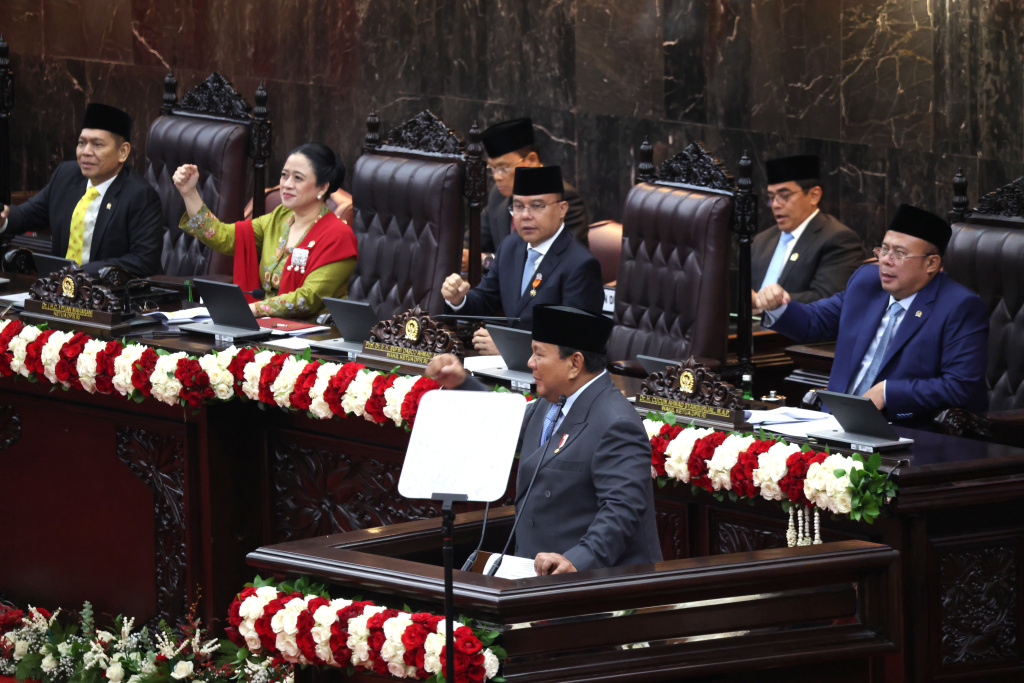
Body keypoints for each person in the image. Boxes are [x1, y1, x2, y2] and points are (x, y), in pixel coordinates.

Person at [426, 304, 663, 575]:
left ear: (575, 364)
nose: (530, 362)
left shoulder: (616, 423)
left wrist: (580, 559)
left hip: (595, 584)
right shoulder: (549, 402)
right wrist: (462, 383)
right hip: (539, 576)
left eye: (538, 353)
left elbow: (622, 509)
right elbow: (503, 426)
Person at [756, 204, 988, 423]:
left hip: (902, 432)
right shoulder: (866, 283)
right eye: (884, 249)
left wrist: (887, 392)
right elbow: (813, 323)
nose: (886, 261)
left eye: (899, 253)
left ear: (931, 264)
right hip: (832, 422)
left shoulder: (959, 306)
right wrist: (778, 306)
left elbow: (961, 386)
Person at [173, 142, 358, 319]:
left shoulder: (338, 235)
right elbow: (223, 237)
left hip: (312, 339)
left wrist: (249, 309)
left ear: (323, 187)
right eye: (285, 175)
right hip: (264, 327)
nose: (287, 184)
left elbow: (308, 298)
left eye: (298, 178)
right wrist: (189, 193)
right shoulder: (279, 218)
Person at [442, 166, 604, 355]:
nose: (525, 215)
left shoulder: (580, 265)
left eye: (537, 206)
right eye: (518, 206)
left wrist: (509, 349)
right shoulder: (510, 247)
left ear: (562, 209)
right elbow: (486, 299)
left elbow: (576, 342)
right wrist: (458, 299)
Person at [0, 103, 163, 276]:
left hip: (110, 296)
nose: (86, 152)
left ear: (123, 152)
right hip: (58, 293)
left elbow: (143, 261)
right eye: (81, 143)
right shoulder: (66, 176)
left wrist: (77, 273)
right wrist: (3, 220)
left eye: (97, 145)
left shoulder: (139, 195)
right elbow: (27, 215)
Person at [751, 154, 864, 308]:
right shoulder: (761, 240)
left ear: (813, 195)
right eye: (771, 197)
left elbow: (826, 298)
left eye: (784, 196)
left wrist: (763, 301)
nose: (775, 205)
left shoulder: (837, 238)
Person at [478, 118, 589, 257]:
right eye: (493, 168)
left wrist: (488, 261)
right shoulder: (498, 194)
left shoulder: (563, 197)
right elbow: (475, 240)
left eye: (503, 168)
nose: (497, 177)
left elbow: (552, 258)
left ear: (531, 160)